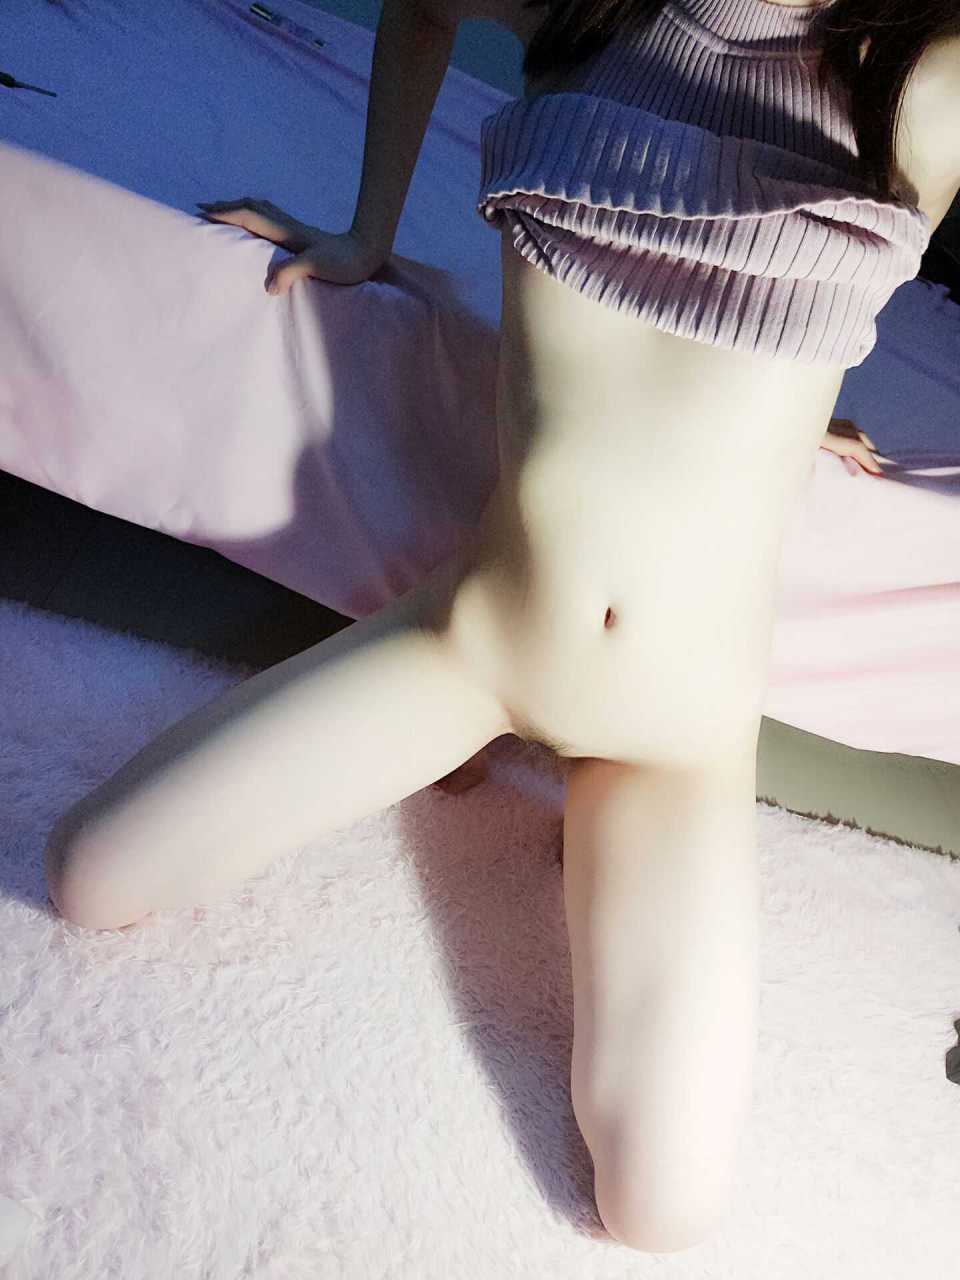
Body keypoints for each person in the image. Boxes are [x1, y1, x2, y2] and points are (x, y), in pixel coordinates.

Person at [44, 0, 960, 1253]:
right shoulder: (604, 12)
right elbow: (423, 6)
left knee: (664, 1208)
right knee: (91, 875)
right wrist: (365, 235)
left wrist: (810, 374)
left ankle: (584, 823)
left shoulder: (924, 77)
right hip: (478, 642)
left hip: (677, 729)